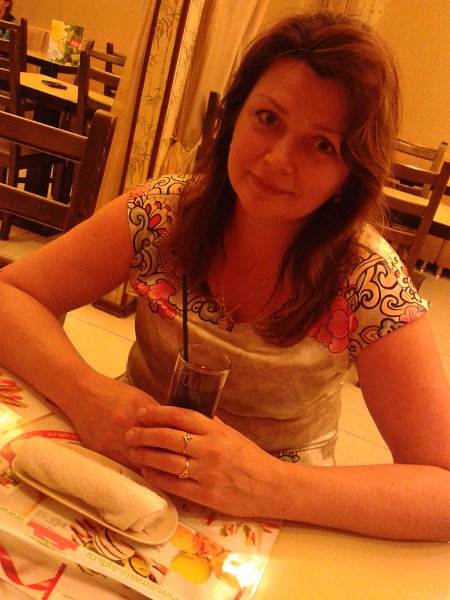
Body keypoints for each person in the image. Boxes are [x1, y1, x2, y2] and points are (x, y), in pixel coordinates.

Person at [0, 12, 448, 542]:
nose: (277, 159)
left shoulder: (368, 279)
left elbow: (441, 485)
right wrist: (86, 394)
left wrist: (268, 483)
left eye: (322, 144)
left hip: (281, 515)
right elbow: (11, 294)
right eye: (268, 118)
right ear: (235, 116)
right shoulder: (162, 213)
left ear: (349, 174)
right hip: (125, 467)